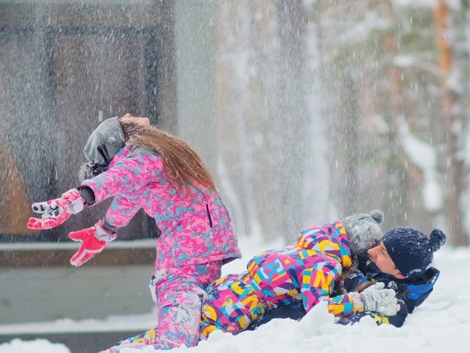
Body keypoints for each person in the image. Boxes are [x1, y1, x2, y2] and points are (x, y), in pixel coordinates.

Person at [27, 114, 241, 352]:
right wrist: (76, 200)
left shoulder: (151, 160)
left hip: (194, 260)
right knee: (176, 345)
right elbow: (117, 180)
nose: (133, 115)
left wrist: (102, 231)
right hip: (183, 267)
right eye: (126, 118)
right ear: (118, 138)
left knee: (190, 336)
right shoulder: (142, 161)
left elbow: (125, 197)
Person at [121, 210, 396, 344]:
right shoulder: (323, 264)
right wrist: (362, 302)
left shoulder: (311, 246)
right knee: (179, 344)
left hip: (226, 292)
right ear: (356, 250)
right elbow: (318, 309)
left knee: (162, 338)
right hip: (236, 309)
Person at [247, 226, 447, 329]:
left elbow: (338, 320)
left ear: (400, 273)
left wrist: (358, 298)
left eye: (383, 252)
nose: (373, 251)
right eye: (381, 245)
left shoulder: (394, 305)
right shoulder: (372, 263)